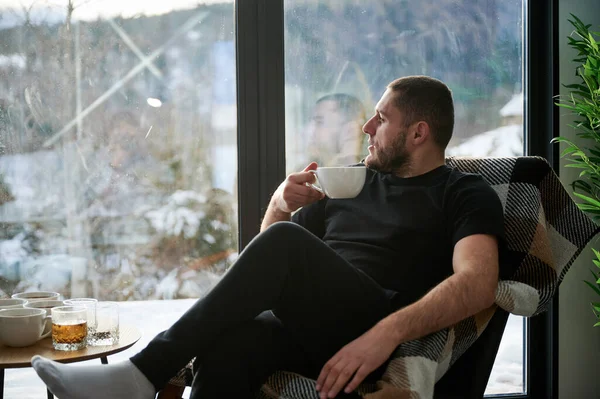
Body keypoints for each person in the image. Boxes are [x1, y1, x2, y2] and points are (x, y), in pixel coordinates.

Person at [31, 76, 505, 399]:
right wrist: (280, 203)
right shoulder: (354, 180)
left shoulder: (461, 192)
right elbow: (266, 267)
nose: (367, 127)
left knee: (286, 245)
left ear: (419, 132)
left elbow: (479, 281)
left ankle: (141, 375)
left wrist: (386, 334)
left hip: (379, 325)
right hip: (314, 326)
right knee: (229, 345)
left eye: (381, 118)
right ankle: (141, 379)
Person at [305, 93, 367, 167]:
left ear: (350, 130)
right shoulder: (305, 170)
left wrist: (348, 158)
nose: (309, 131)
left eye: (319, 122)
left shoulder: (372, 173)